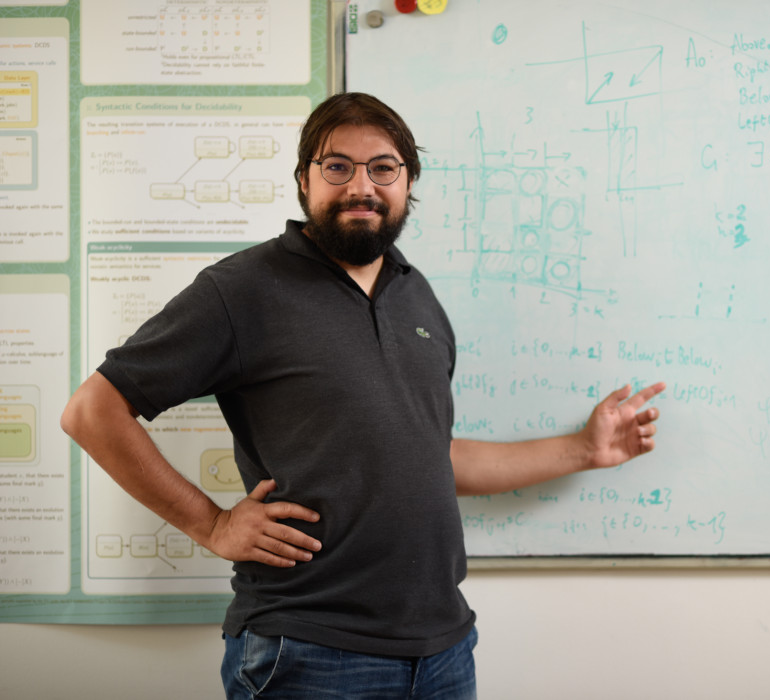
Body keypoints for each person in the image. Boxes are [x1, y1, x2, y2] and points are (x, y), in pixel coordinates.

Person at [61, 92, 665, 699]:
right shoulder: (240, 291)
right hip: (307, 652)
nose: (361, 185)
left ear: (407, 183)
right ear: (304, 180)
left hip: (444, 650)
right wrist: (213, 524)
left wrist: (584, 450)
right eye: (337, 166)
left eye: (383, 168)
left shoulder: (417, 295)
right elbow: (93, 410)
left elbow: (435, 456)